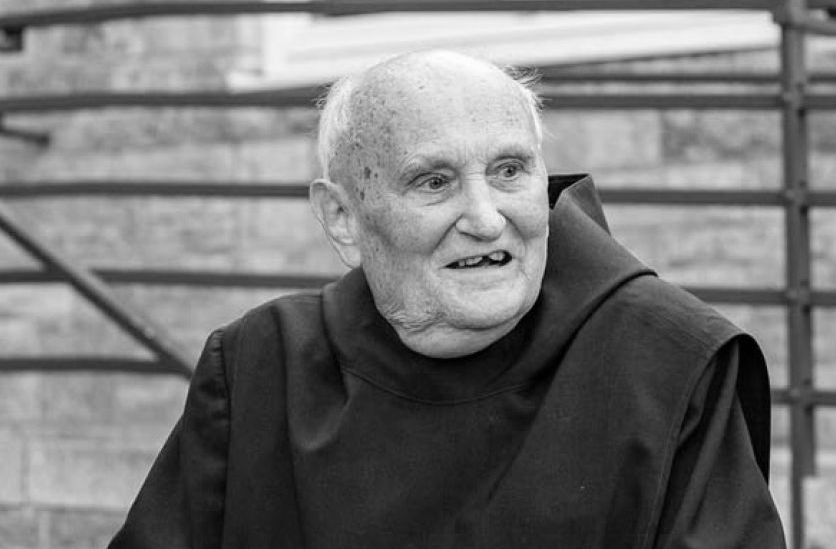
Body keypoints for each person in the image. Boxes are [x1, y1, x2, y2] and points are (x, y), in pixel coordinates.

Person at [110, 50, 785, 548]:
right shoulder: (260, 364)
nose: (486, 219)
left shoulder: (671, 363)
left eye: (509, 171)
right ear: (343, 218)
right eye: (433, 182)